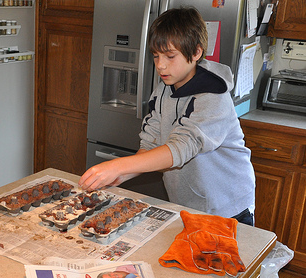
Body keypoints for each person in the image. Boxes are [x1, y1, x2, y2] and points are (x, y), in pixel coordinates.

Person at [78, 7, 255, 226]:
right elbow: (150, 143)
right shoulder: (163, 90)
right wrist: (122, 175)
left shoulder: (213, 97)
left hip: (228, 209)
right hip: (187, 206)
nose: (160, 65)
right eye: (156, 56)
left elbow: (182, 147)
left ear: (196, 53)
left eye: (170, 56)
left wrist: (118, 166)